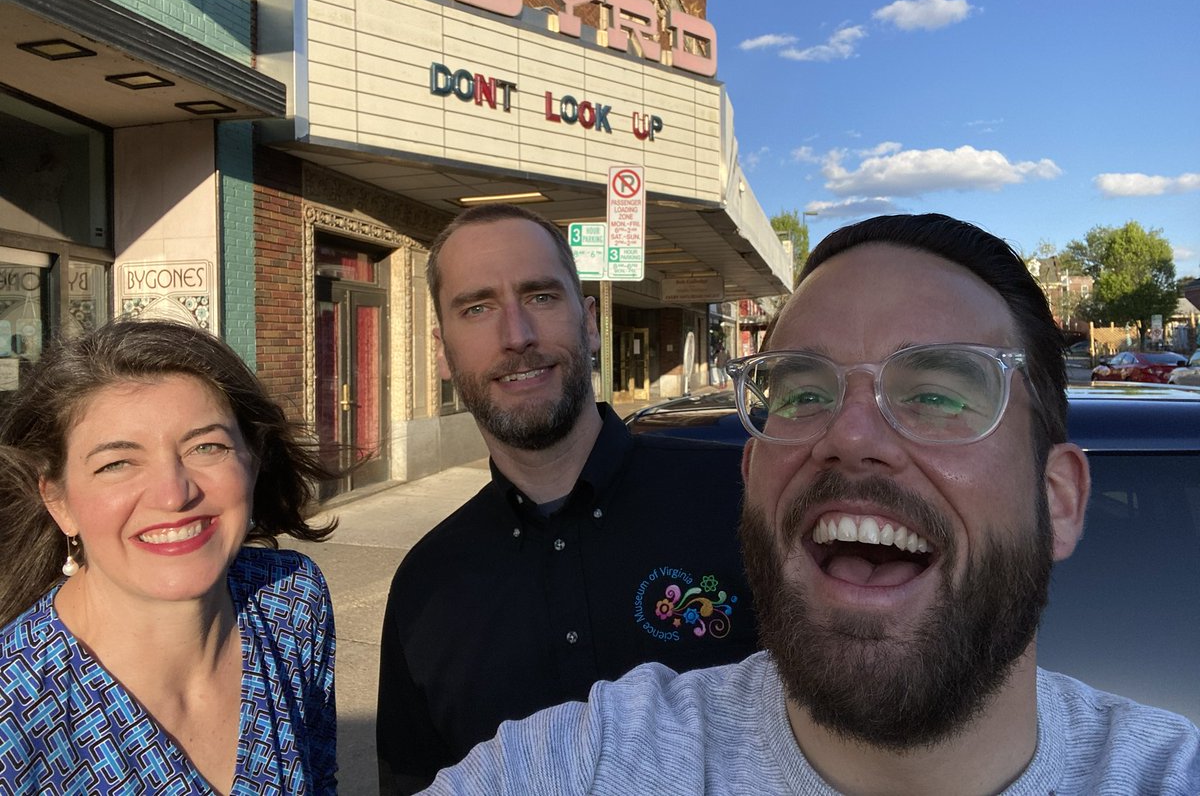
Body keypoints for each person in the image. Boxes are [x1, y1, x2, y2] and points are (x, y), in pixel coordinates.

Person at [424, 213, 1200, 795]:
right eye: (801, 392)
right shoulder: (592, 761)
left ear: (1059, 502)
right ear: (752, 475)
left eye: (935, 390)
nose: (850, 434)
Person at [376, 204, 758, 793]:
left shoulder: (741, 500)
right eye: (477, 308)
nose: (517, 336)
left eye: (541, 297)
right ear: (443, 352)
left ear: (589, 320)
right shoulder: (425, 586)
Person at [0, 319, 340, 794]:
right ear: (59, 500)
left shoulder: (290, 602)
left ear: (253, 461)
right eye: (116, 463)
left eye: (207, 447)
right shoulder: (14, 710)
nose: (173, 494)